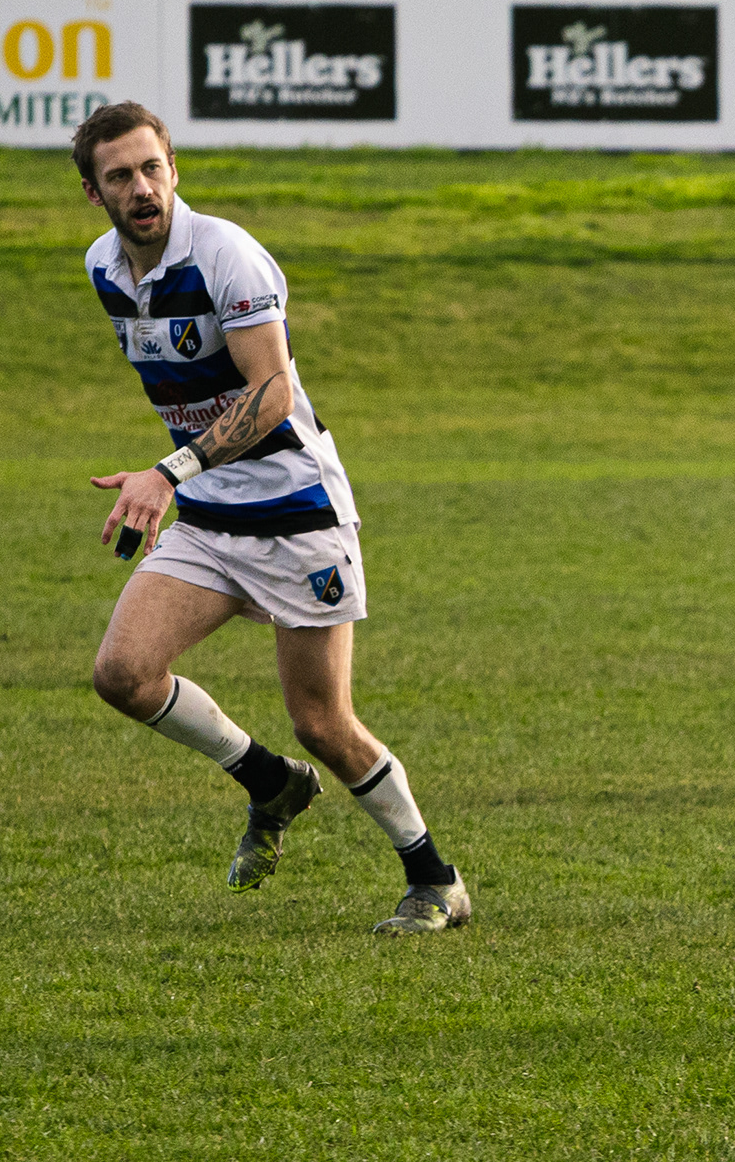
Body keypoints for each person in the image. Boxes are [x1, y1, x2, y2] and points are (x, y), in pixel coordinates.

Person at [69, 102, 469, 936]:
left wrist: (167, 473)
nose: (142, 188)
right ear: (93, 193)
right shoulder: (104, 268)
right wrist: (179, 481)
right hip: (211, 514)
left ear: (174, 168)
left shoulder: (227, 256)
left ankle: (435, 879)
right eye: (120, 176)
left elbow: (273, 393)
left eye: (152, 168)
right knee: (122, 674)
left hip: (296, 513)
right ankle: (268, 782)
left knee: (323, 724)